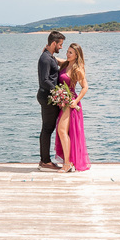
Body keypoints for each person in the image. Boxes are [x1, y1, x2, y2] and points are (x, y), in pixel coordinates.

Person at [54, 43, 90, 172]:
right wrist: (48, 52)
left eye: (70, 53)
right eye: (67, 51)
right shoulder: (65, 64)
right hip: (62, 101)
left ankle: (68, 163)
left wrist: (76, 101)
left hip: (70, 103)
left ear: (76, 55)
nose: (67, 54)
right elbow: (55, 59)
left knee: (62, 131)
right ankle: (68, 162)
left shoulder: (77, 69)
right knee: (63, 132)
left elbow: (85, 87)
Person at [36, 31, 65, 170]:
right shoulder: (45, 59)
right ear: (54, 43)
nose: (61, 47)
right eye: (60, 44)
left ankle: (44, 160)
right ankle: (45, 162)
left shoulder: (50, 57)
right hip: (47, 97)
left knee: (48, 128)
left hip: (49, 96)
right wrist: (57, 90)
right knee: (47, 129)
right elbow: (44, 80)